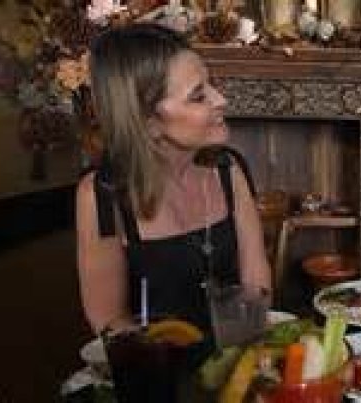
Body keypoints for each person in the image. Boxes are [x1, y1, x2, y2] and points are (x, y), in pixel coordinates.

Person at [75, 23, 271, 340]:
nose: (221, 100)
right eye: (198, 96)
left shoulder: (228, 169)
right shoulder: (100, 195)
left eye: (212, 84)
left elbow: (256, 288)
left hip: (235, 355)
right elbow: (110, 323)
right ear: (147, 122)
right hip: (155, 362)